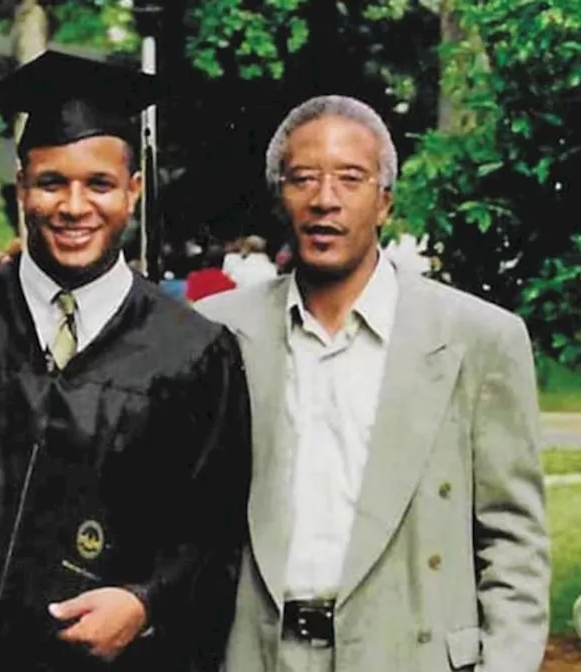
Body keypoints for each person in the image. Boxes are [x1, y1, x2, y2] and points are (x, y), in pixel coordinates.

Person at [0, 50, 252, 671]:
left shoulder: (194, 352)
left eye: (99, 184)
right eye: (51, 182)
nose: (75, 206)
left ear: (133, 192)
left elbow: (212, 531)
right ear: (21, 188)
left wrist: (146, 602)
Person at [196, 95, 549, 671]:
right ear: (280, 196)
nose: (324, 199)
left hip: (412, 653)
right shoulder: (220, 333)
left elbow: (513, 540)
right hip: (258, 655)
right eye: (303, 178)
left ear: (385, 201)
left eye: (350, 179)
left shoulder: (477, 339)